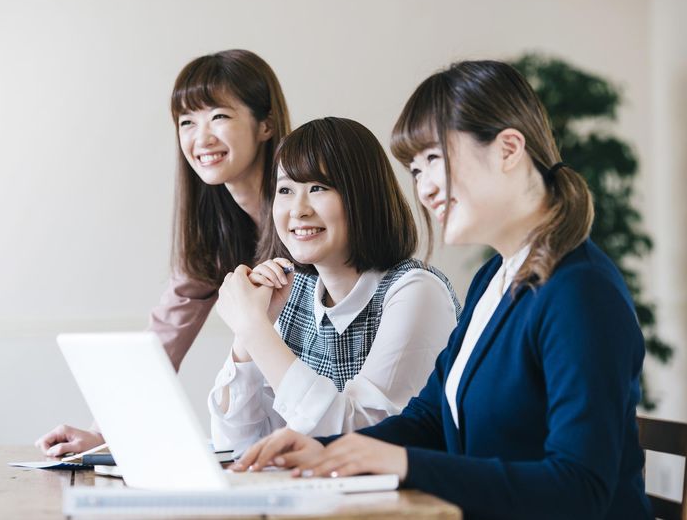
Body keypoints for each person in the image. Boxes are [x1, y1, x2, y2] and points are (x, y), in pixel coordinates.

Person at [231, 61, 651, 519]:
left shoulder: (580, 290)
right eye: (414, 168)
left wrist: (404, 463)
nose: (424, 187)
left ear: (508, 149)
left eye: (434, 159)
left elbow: (580, 487)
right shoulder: (495, 277)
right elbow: (431, 420)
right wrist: (324, 449)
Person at [36, 49, 291, 457]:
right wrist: (103, 433)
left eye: (219, 117)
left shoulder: (304, 221)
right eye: (186, 122)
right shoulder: (215, 231)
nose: (200, 138)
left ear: (266, 125)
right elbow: (163, 341)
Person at [210, 117, 459, 455]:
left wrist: (255, 330)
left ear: (363, 196)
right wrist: (248, 335)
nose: (298, 210)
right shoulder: (293, 291)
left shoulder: (416, 291)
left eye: (318, 188)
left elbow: (358, 436)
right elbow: (237, 443)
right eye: (285, 190)